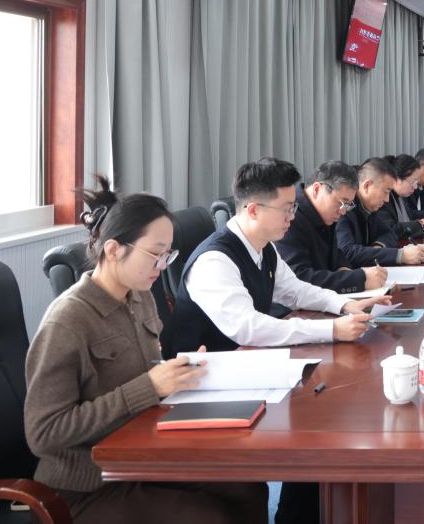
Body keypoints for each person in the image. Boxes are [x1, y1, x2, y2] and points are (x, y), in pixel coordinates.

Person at [24, 177, 267, 522]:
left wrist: (180, 370)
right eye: (155, 254)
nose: (163, 265)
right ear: (113, 250)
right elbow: (44, 433)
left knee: (248, 487)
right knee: (205, 516)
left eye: (168, 254)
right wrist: (150, 386)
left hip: (140, 457)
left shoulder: (139, 296)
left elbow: (144, 371)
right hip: (85, 486)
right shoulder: (67, 321)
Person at [170, 157, 391, 354]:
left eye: (293, 208)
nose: (292, 217)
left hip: (244, 358)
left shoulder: (264, 247)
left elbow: (295, 291)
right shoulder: (214, 262)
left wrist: (344, 305)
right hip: (201, 374)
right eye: (286, 209)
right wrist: (330, 329)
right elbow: (249, 328)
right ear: (253, 210)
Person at [274, 161, 386, 294]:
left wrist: (343, 268)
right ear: (317, 190)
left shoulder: (324, 213)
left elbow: (335, 252)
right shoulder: (290, 217)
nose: (343, 211)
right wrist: (358, 279)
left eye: (348, 205)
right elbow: (299, 278)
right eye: (341, 202)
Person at [335, 157, 424, 267]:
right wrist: (400, 255)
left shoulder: (369, 207)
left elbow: (390, 233)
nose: (387, 199)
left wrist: (379, 247)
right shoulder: (344, 209)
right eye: (385, 191)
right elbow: (347, 252)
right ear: (367, 186)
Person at [377, 154, 424, 248]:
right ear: (397, 179)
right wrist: (419, 224)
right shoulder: (384, 198)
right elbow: (390, 228)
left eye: (416, 182)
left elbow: (409, 217)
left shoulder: (402, 195)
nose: (415, 187)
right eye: (413, 182)